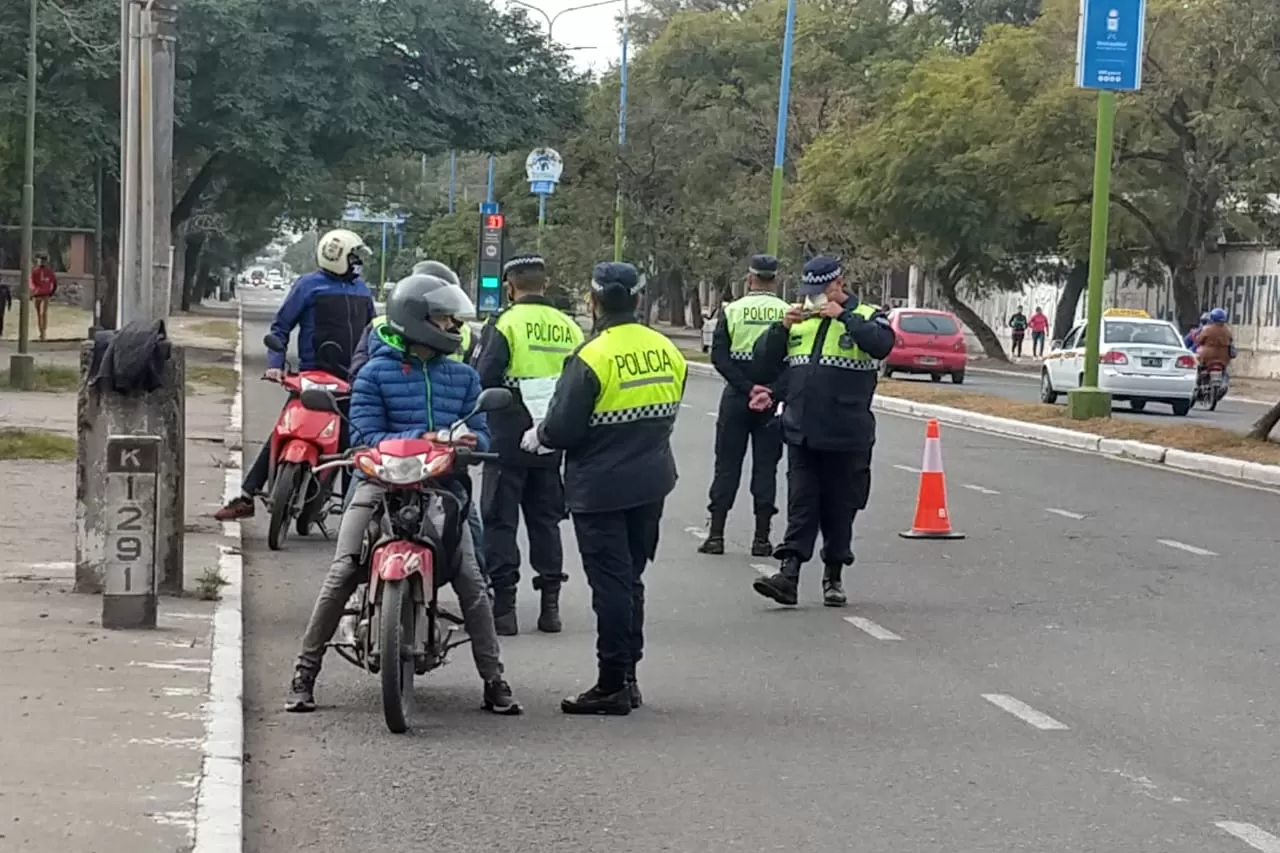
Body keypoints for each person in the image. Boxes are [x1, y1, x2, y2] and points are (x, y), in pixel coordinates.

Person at [285, 273, 520, 715]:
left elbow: (483, 435)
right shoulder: (374, 374)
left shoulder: (465, 378)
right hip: (378, 482)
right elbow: (367, 433)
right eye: (446, 321)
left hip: (443, 489)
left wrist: (471, 444)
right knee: (341, 573)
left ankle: (494, 679)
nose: (455, 329)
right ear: (418, 320)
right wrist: (430, 435)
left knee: (472, 577)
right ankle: (304, 672)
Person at [529, 262, 686, 716]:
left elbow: (562, 428)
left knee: (611, 587)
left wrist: (539, 434)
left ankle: (613, 682)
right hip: (651, 481)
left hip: (599, 488)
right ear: (640, 300)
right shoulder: (666, 350)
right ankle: (629, 675)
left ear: (593, 302)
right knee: (631, 580)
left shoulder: (592, 357)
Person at [749, 256, 895, 608]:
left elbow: (882, 345)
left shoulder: (867, 315)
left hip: (847, 433)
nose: (814, 298)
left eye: (822, 291)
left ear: (838, 284)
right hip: (802, 431)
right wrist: (780, 329)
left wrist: (842, 315)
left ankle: (833, 575)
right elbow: (767, 365)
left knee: (839, 508)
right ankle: (789, 574)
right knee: (801, 504)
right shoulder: (801, 322)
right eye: (810, 291)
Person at [215, 230, 375, 521]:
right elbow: (280, 328)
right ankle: (248, 495)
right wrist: (275, 363)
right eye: (354, 257)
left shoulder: (363, 290)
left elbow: (373, 334)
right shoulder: (308, 286)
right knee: (284, 429)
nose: (357, 263)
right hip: (312, 376)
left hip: (353, 380)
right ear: (338, 257)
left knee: (353, 444)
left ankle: (356, 514)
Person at [474, 253, 584, 635]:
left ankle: (503, 609)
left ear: (510, 286)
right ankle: (549, 607)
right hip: (552, 437)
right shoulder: (570, 326)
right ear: (546, 283)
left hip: (507, 437)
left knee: (500, 521)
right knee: (545, 522)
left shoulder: (505, 323)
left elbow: (483, 377)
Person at [698, 254, 789, 557]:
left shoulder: (733, 310)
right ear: (775, 280)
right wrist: (771, 391)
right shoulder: (788, 313)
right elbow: (795, 361)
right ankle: (762, 539)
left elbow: (719, 357)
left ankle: (716, 536)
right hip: (771, 402)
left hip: (737, 397)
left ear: (749, 279)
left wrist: (748, 388)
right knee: (766, 468)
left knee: (726, 466)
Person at [1194, 307, 1236, 390]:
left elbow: (1199, 340)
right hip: (1224, 359)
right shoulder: (1227, 331)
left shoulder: (1207, 329)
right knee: (1225, 372)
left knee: (1197, 365)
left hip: (1207, 357)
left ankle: (1197, 384)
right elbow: (1231, 341)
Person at [30, 255, 57, 341]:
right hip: (41, 295)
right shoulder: (39, 271)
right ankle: (42, 332)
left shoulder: (46, 271)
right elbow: (55, 284)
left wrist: (34, 291)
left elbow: (55, 284)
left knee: (41, 314)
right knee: (42, 314)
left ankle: (42, 332)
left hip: (43, 295)